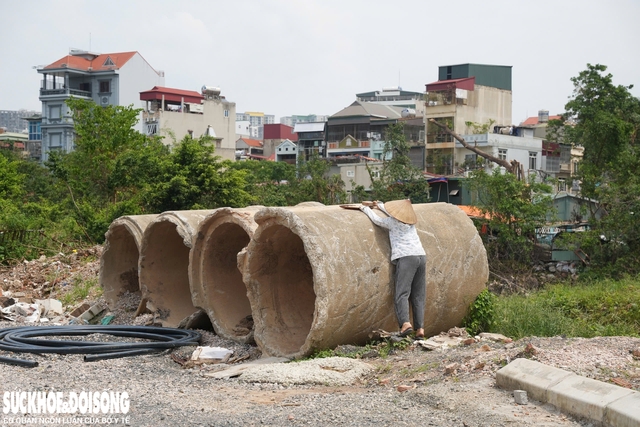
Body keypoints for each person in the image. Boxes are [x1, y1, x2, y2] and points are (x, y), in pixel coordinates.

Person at [359, 199, 427, 339]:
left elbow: (376, 220)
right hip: (421, 256)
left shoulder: (392, 222)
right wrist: (379, 205)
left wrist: (365, 209)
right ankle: (420, 328)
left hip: (406, 257)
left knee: (402, 293)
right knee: (418, 295)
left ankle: (405, 324)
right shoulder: (411, 223)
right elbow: (393, 213)